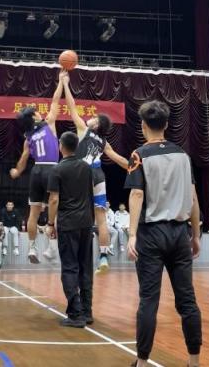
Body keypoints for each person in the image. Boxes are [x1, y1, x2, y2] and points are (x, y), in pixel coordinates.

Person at [125, 101, 202, 367]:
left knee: (149, 300)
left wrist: (132, 235)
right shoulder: (183, 155)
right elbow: (193, 198)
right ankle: (194, 362)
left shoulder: (138, 155)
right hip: (180, 233)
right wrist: (196, 235)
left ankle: (142, 363)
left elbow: (136, 194)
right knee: (187, 300)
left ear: (143, 125)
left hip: (151, 234)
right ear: (167, 124)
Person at [62, 74, 128, 274]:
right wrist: (136, 167)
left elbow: (71, 106)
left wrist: (65, 84)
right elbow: (119, 159)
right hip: (99, 175)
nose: (90, 117)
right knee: (101, 219)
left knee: (75, 213)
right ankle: (104, 257)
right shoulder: (104, 142)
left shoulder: (83, 129)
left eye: (95, 118)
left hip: (82, 174)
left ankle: (75, 255)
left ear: (96, 125)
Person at [10, 72, 64, 263]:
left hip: (36, 171)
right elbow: (56, 100)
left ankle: (32, 248)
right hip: (52, 169)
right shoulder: (49, 123)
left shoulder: (28, 137)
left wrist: (17, 171)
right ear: (34, 117)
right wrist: (61, 82)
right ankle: (51, 248)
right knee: (55, 209)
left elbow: (24, 158)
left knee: (33, 212)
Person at [47, 131, 95, 328]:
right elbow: (90, 195)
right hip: (86, 222)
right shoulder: (87, 167)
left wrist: (50, 223)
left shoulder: (57, 169)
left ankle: (75, 314)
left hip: (68, 223)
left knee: (69, 267)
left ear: (61, 146)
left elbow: (54, 199)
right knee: (85, 267)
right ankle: (87, 311)